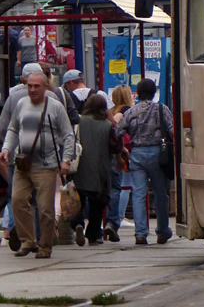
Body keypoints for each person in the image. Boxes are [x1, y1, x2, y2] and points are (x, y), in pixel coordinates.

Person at [0, 71, 75, 259]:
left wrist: (66, 159)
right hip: (23, 165)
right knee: (17, 201)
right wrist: (6, 148)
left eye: (36, 86)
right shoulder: (21, 104)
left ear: (45, 87)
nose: (32, 90)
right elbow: (13, 129)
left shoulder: (55, 107)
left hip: (46, 165)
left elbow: (68, 135)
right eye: (29, 86)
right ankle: (27, 241)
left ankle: (45, 246)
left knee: (46, 209)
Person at [111, 78, 174, 246]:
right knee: (161, 194)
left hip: (137, 154)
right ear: (154, 93)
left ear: (137, 93)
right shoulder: (162, 109)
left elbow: (117, 133)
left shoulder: (131, 112)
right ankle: (162, 231)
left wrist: (121, 150)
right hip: (157, 154)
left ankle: (140, 233)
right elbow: (173, 131)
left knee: (138, 193)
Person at [71, 93, 118, 246]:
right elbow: (114, 146)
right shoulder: (107, 125)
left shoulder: (79, 121)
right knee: (97, 204)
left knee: (79, 199)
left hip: (80, 167)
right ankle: (93, 234)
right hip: (100, 169)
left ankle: (77, 223)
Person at [104, 85, 134, 242]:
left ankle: (118, 216)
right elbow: (115, 127)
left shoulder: (114, 110)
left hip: (116, 150)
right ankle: (120, 216)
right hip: (125, 149)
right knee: (125, 185)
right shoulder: (126, 110)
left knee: (122, 185)